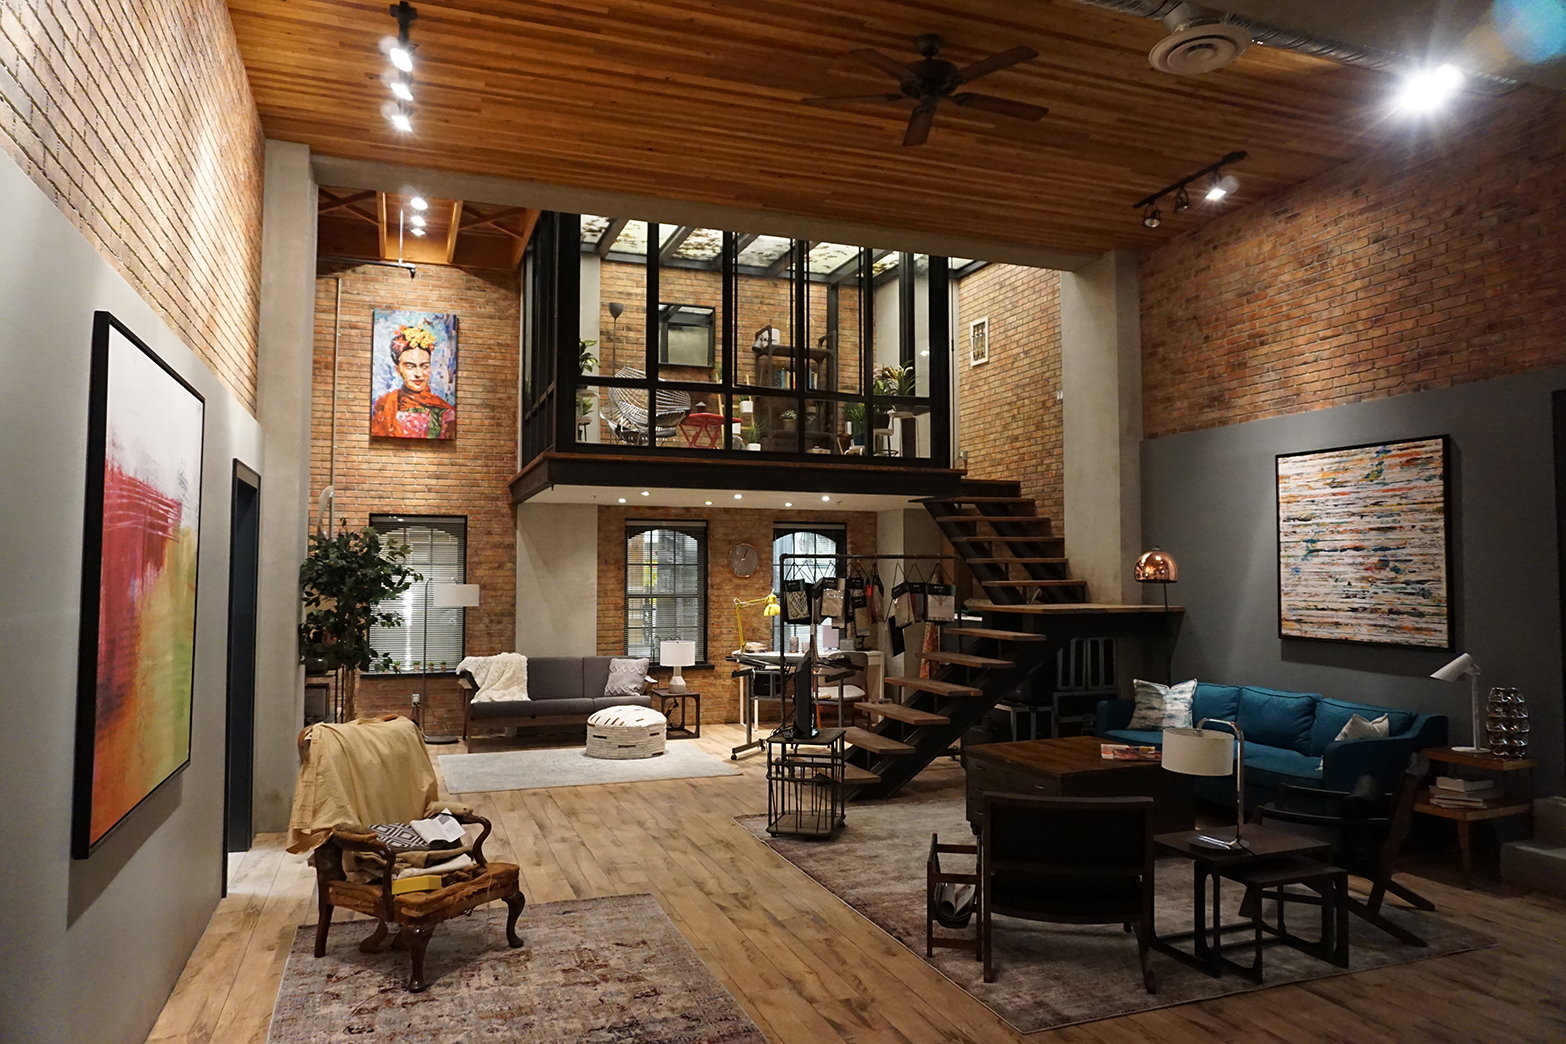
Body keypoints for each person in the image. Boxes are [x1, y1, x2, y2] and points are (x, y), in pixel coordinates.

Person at [371, 324, 455, 438]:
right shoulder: (384, 404)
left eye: (424, 366)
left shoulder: (446, 412)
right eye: (410, 366)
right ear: (397, 370)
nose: (418, 374)